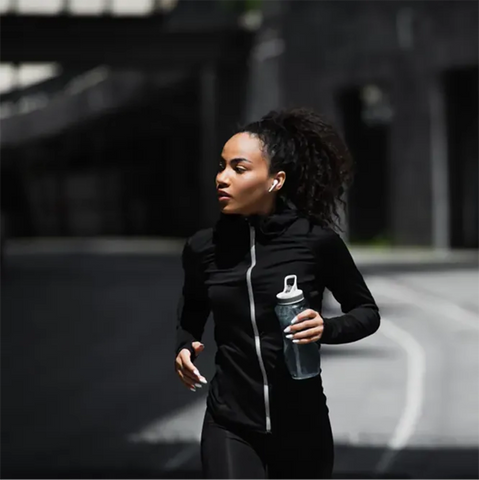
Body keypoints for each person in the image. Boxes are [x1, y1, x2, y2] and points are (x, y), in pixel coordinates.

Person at [175, 108, 380, 480]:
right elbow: (192, 309)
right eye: (221, 166)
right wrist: (185, 344)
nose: (222, 178)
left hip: (302, 426)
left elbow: (366, 311)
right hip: (230, 422)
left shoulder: (315, 242)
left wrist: (327, 328)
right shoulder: (203, 248)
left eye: (239, 169)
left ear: (275, 180)